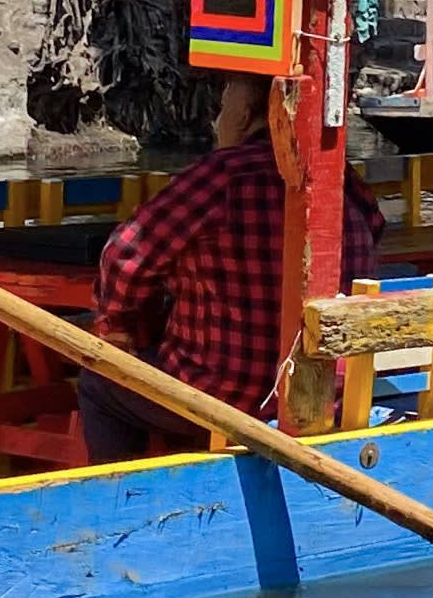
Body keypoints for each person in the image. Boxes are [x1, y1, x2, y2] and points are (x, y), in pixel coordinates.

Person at [80, 72, 384, 462]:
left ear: (243, 112)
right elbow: (376, 227)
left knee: (100, 380)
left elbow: (124, 255)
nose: (217, 119)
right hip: (330, 395)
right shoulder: (338, 177)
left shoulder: (225, 175)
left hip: (224, 397)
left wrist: (120, 328)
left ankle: (122, 494)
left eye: (224, 105)